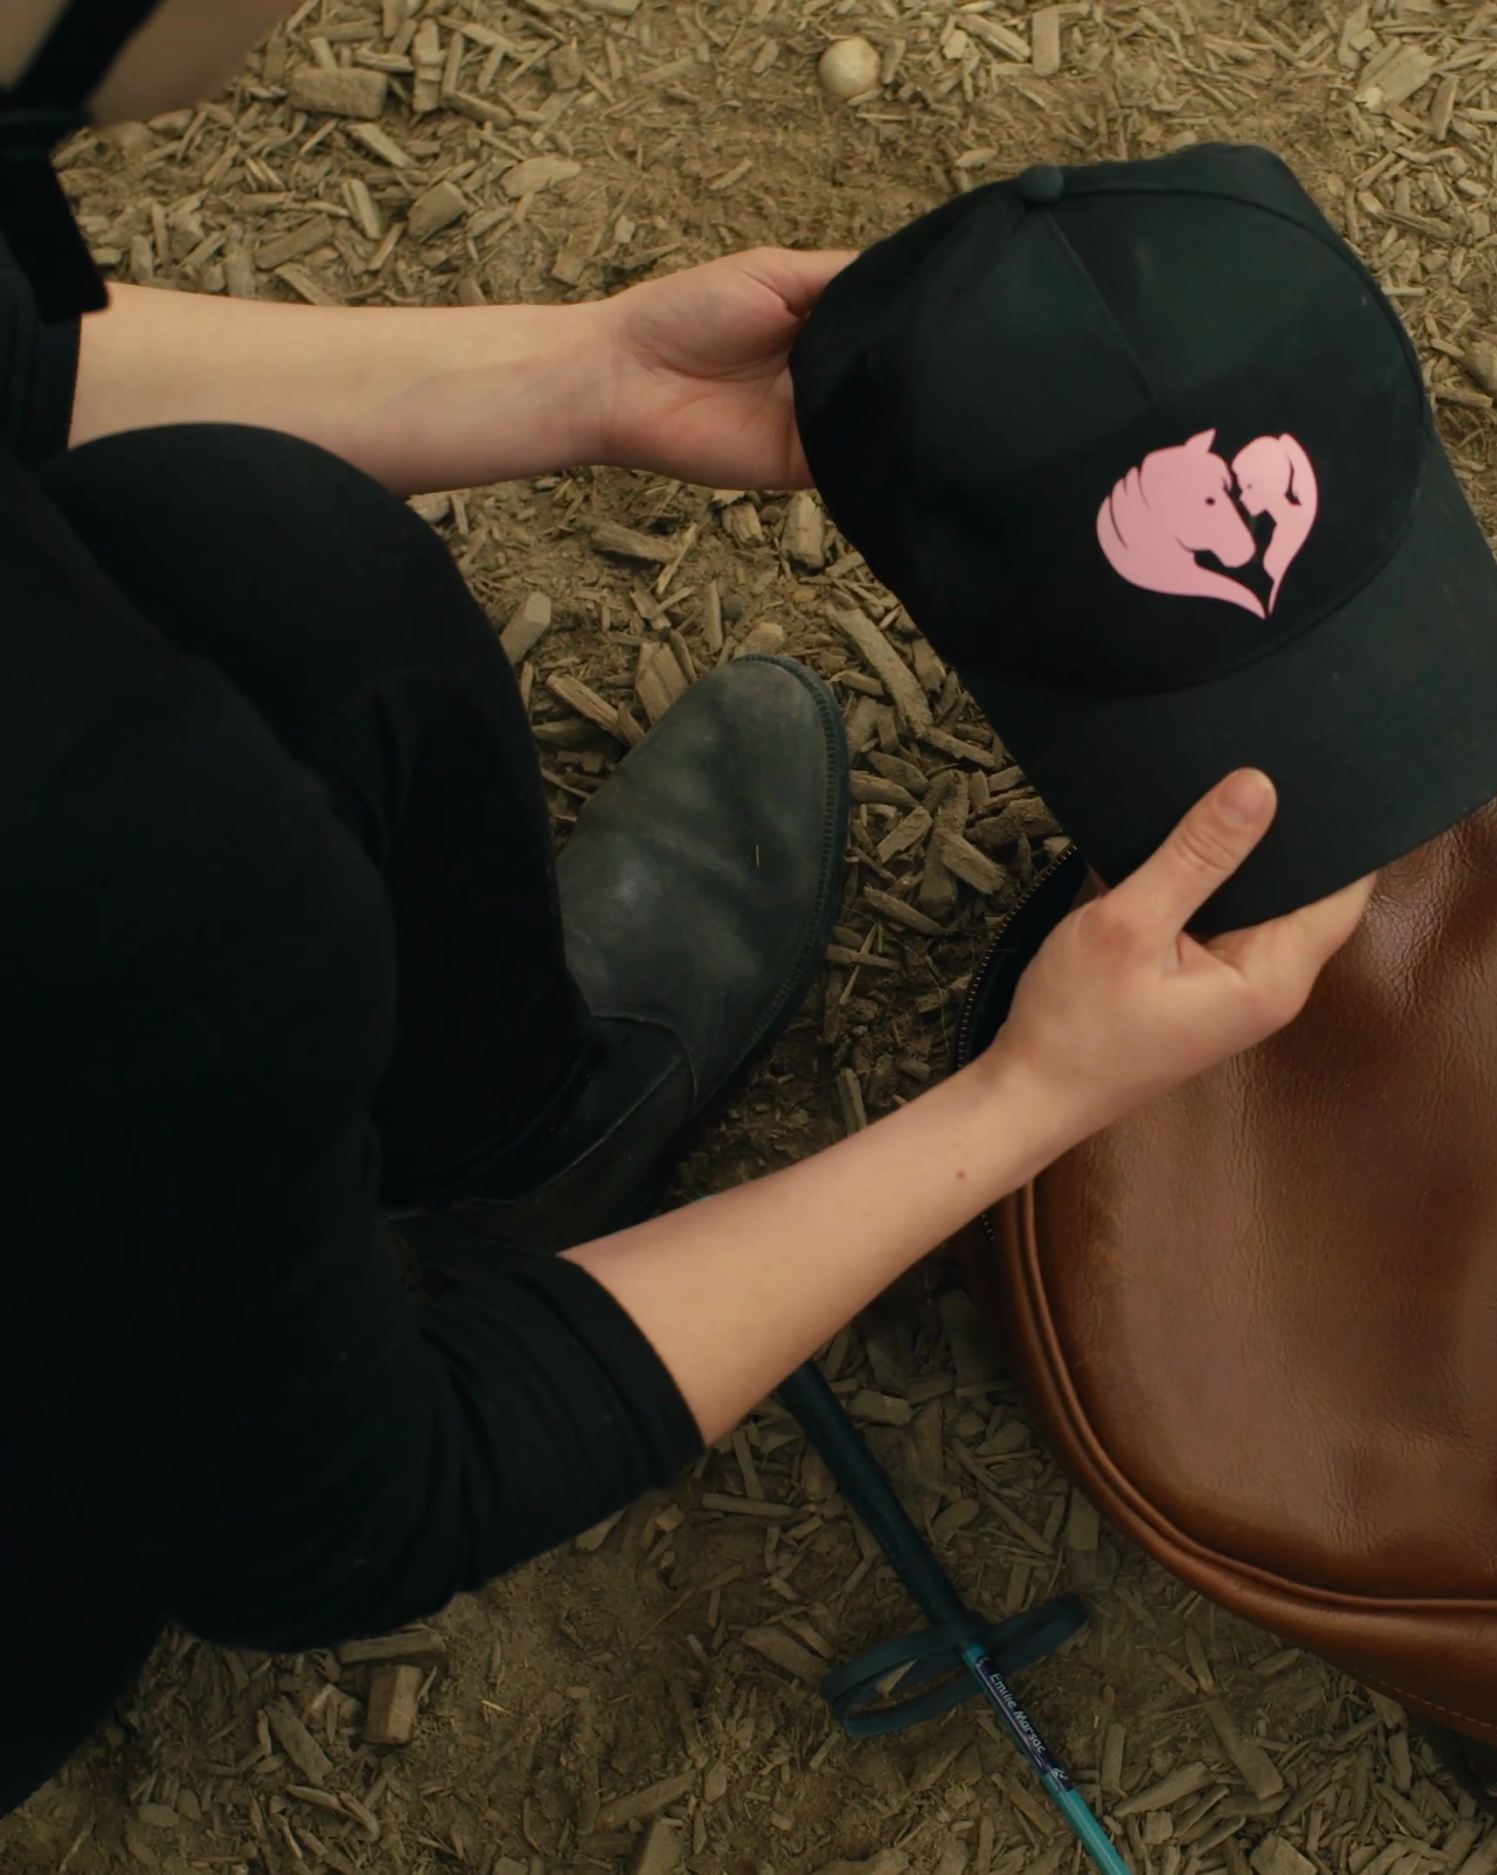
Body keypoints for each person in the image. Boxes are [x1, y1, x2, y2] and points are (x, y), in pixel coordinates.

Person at [0, 0, 1373, 1812]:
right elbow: (331, 1524)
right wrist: (1032, 1096)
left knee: (250, 548)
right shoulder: (126, 861)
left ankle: (520, 1134)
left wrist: (580, 372)